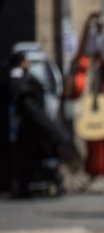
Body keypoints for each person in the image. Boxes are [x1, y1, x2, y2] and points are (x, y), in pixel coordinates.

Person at [8, 52, 77, 197]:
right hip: (31, 125)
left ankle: (40, 185)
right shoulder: (17, 79)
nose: (29, 64)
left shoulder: (24, 78)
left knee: (34, 157)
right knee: (29, 158)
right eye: (27, 61)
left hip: (33, 126)